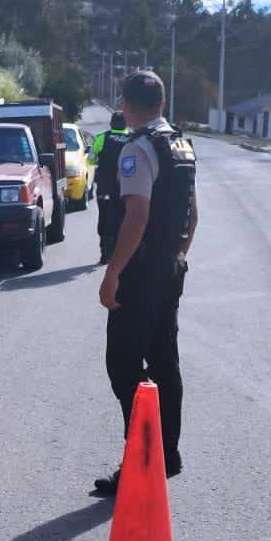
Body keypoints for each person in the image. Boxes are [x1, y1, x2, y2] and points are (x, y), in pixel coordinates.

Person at [94, 71, 199, 495]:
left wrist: (114, 272)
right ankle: (166, 455)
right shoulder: (181, 146)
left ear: (126, 105)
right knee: (163, 361)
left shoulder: (137, 148)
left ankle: (142, 458)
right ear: (162, 102)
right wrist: (177, 256)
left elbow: (136, 216)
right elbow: (193, 215)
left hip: (140, 274)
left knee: (122, 364)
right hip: (170, 268)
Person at [87, 111, 130, 264]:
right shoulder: (132, 139)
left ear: (111, 124)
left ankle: (105, 253)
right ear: (126, 124)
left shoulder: (102, 138)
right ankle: (121, 253)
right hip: (125, 188)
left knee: (104, 216)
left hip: (104, 187)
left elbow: (91, 159)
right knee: (122, 218)